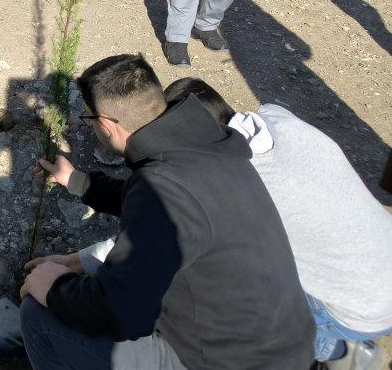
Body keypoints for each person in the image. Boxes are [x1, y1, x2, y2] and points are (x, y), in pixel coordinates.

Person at [20, 54, 314, 370]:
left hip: (228, 363)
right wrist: (78, 182)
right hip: (286, 349)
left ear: (105, 125)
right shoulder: (210, 149)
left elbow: (121, 312)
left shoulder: (162, 187)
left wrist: (55, 288)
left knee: (39, 316)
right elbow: (163, 207)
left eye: (88, 119)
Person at [160, 78, 392, 366]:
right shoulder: (275, 116)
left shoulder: (237, 179)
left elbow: (174, 239)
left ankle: (338, 350)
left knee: (219, 289)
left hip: (365, 312)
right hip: (383, 269)